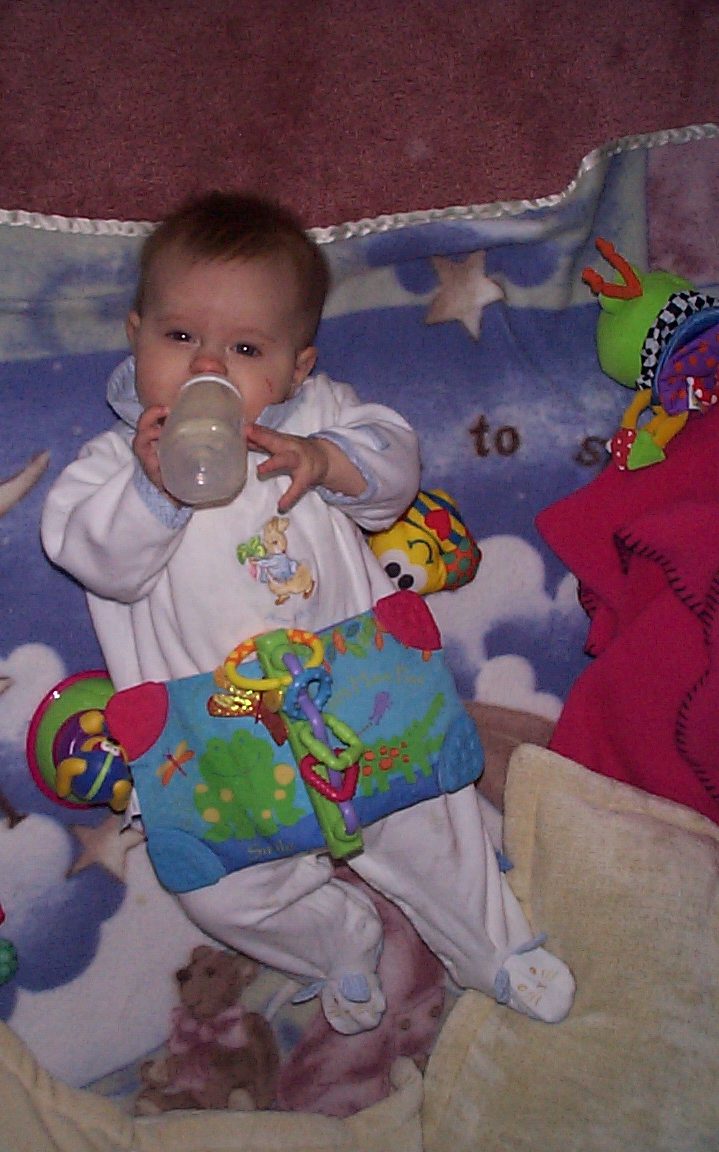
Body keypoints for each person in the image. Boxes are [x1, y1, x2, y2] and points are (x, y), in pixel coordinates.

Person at [41, 191, 575, 1033]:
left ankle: (493, 945)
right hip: (213, 732)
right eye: (179, 337)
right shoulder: (110, 467)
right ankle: (335, 939)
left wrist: (327, 460)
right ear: (136, 335)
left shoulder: (324, 415)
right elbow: (91, 558)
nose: (208, 367)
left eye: (246, 348)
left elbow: (395, 466)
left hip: (355, 692)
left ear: (296, 368)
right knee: (216, 886)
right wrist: (154, 490)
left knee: (432, 822)